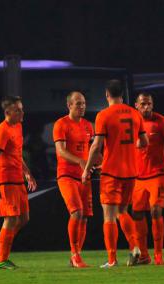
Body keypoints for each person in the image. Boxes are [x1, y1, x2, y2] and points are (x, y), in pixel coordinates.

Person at [82, 80, 148, 268]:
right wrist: (128, 147)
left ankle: (112, 259)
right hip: (131, 172)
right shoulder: (135, 114)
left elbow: (96, 146)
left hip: (111, 171)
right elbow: (144, 142)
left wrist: (87, 169)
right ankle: (135, 247)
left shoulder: (104, 115)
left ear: (106, 94)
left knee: (109, 216)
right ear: (123, 94)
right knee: (122, 211)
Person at [0, 96, 37, 269]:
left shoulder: (18, 127)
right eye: (18, 110)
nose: (22, 112)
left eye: (22, 109)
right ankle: (1, 260)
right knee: (11, 219)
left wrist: (27, 173)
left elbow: (17, 154)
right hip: (6, 181)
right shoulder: (3, 130)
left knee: (24, 219)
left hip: (17, 179)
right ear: (7, 113)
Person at [131, 92, 164, 265]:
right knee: (136, 214)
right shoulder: (131, 122)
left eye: (149, 104)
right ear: (136, 105)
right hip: (137, 176)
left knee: (155, 210)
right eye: (143, 104)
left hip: (158, 174)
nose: (147, 107)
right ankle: (144, 255)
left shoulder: (161, 122)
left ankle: (158, 255)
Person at [53, 91, 94, 268]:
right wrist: (80, 161)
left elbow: (92, 151)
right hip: (66, 175)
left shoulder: (87, 126)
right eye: (78, 103)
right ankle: (75, 254)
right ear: (69, 105)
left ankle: (77, 256)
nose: (82, 106)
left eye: (83, 103)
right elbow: (61, 151)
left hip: (84, 176)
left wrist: (97, 164)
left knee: (84, 217)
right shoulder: (61, 124)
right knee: (76, 212)